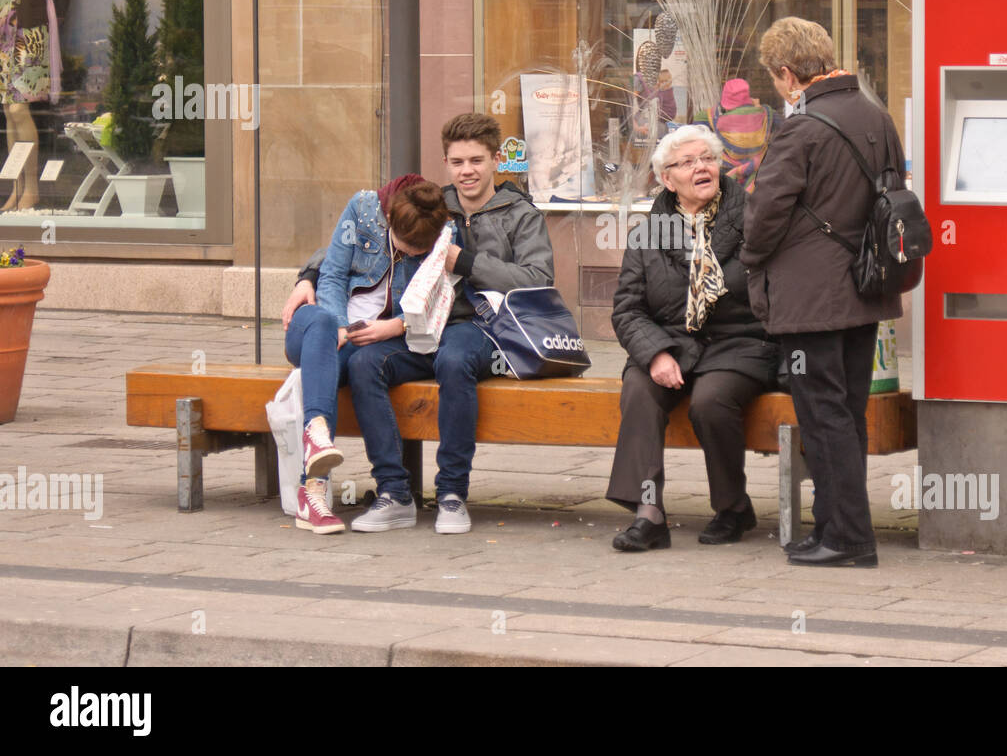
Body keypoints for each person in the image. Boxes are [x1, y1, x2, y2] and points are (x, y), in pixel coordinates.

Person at [292, 113, 553, 534]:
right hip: (417, 327)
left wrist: (466, 262)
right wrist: (308, 276)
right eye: (457, 161)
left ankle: (451, 494)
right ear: (446, 162)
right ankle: (394, 492)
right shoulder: (434, 203)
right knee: (363, 363)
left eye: (476, 161)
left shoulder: (519, 214)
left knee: (453, 361)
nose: (466, 171)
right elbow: (360, 237)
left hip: (480, 328)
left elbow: (538, 280)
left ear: (495, 161)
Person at [740, 16, 904, 568]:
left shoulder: (801, 128)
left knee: (823, 414)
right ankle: (835, 524)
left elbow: (764, 216)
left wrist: (751, 260)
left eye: (774, 78)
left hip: (812, 298)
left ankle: (849, 538)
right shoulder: (875, 115)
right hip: (864, 286)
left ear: (787, 74)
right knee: (847, 412)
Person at [606, 125, 779, 551]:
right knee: (638, 391)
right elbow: (627, 309)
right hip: (670, 344)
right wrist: (655, 354)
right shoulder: (649, 232)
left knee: (710, 400)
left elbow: (778, 289)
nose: (701, 167)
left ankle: (733, 508)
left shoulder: (753, 218)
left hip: (739, 342)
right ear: (668, 179)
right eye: (687, 162)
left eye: (707, 158)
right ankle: (649, 515)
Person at [285, 175, 449, 533]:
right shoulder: (362, 208)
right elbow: (331, 274)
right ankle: (314, 470)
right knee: (322, 325)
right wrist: (340, 326)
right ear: (389, 220)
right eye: (402, 244)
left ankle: (313, 486)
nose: (408, 253)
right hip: (318, 329)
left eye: (416, 252)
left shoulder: (441, 231)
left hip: (363, 345)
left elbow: (439, 300)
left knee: (337, 368)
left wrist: (397, 325)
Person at [0, 0, 69, 212]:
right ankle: (17, 189)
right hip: (3, 36)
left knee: (18, 108)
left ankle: (33, 189)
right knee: (8, 114)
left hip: (30, 33)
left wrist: (55, 30)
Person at [692, 78, 778, 193]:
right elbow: (786, 135)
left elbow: (695, 143)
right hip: (759, 174)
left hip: (725, 175)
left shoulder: (708, 116)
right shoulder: (767, 113)